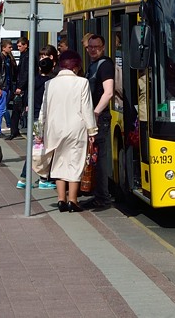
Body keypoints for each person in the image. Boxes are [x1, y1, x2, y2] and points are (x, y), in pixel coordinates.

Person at [37, 50, 96, 212]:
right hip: (76, 129)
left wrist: (38, 132)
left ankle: (61, 199)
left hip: (54, 130)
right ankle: (73, 200)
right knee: (75, 164)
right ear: (76, 67)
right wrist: (92, 131)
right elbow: (87, 109)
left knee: (59, 163)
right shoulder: (82, 83)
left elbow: (43, 111)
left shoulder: (50, 84)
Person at [81, 34, 115, 210]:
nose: (93, 50)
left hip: (99, 118)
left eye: (96, 46)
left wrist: (95, 113)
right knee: (94, 157)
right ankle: (98, 194)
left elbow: (108, 92)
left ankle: (103, 197)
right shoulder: (93, 65)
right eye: (90, 47)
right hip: (94, 117)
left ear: (103, 47)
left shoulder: (105, 65)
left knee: (100, 158)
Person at [17, 44, 58, 189]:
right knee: (42, 149)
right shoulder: (51, 82)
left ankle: (24, 178)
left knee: (36, 147)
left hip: (33, 117)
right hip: (43, 119)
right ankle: (41, 179)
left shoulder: (33, 80)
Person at [8, 37, 29, 139]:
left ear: (26, 45)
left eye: (20, 46)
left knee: (17, 110)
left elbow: (25, 73)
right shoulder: (24, 55)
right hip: (22, 86)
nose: (18, 48)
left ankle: (15, 131)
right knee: (16, 110)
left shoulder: (27, 57)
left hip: (23, 88)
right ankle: (15, 130)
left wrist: (20, 87)